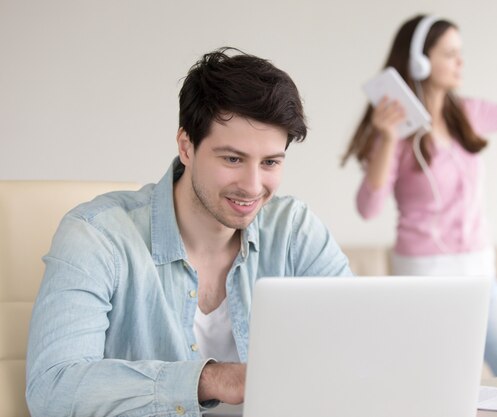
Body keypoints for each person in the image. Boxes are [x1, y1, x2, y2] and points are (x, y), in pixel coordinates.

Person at [26, 47, 351, 416]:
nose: (252, 185)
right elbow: (52, 390)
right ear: (186, 147)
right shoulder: (96, 236)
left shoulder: (294, 231)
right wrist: (210, 380)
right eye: (232, 159)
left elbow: (358, 344)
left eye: (270, 162)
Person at [342, 10, 497, 376]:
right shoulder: (394, 131)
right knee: (440, 386)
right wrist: (389, 139)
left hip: (479, 270)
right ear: (421, 62)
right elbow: (368, 207)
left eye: (461, 51)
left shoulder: (469, 114)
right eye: (450, 53)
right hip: (424, 279)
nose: (461, 61)